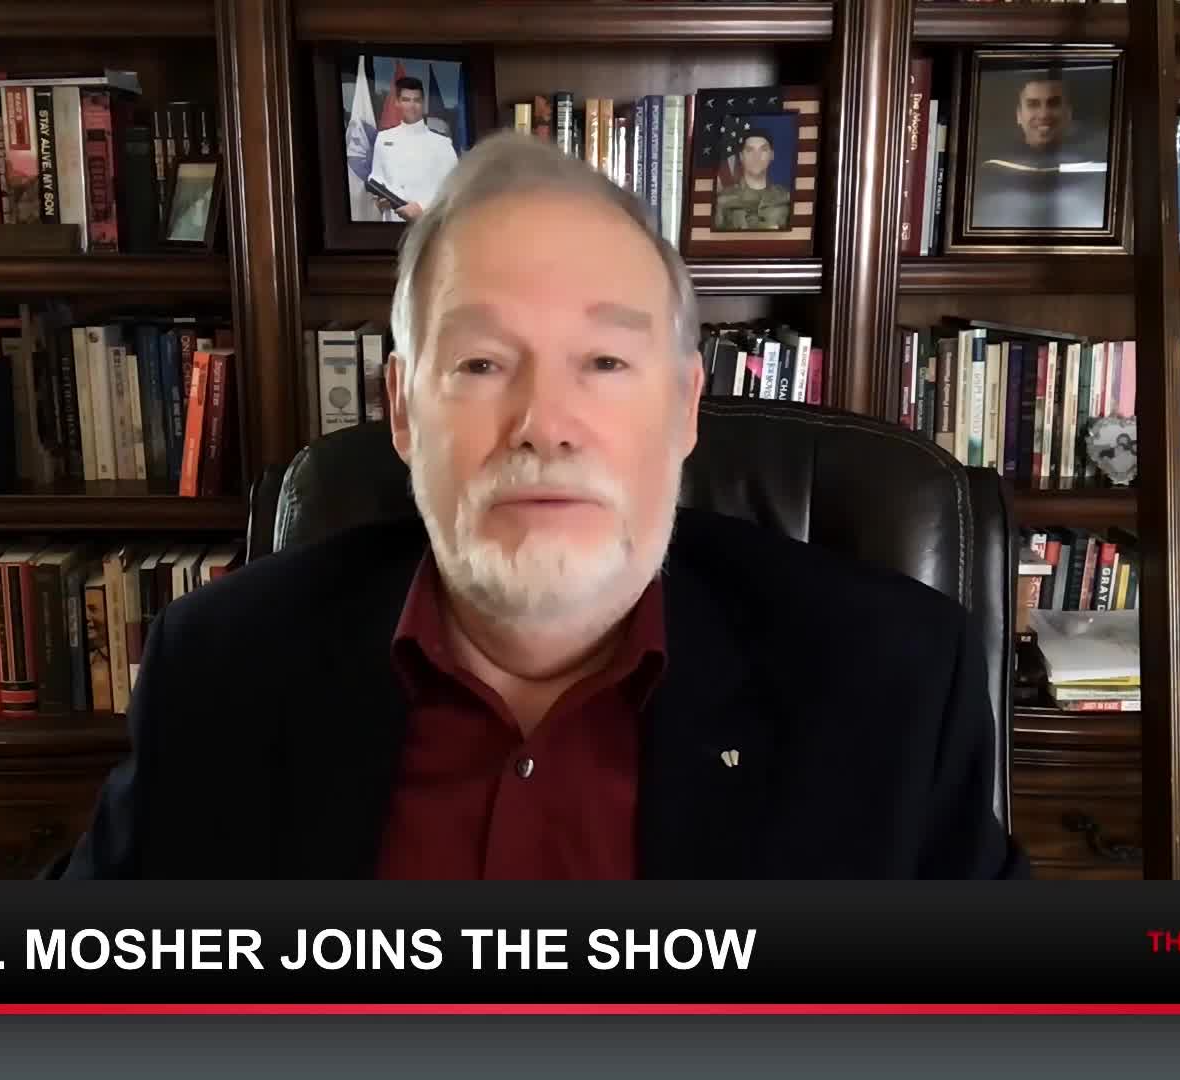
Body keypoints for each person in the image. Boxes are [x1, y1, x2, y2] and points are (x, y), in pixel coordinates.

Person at [60, 131, 1026, 880]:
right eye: (481, 364)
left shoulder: (887, 683)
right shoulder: (221, 671)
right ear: (402, 412)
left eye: (605, 363)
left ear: (684, 408)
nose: (543, 426)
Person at [971, 69, 1111, 231]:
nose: (1044, 114)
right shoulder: (988, 173)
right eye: (1033, 104)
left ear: (1068, 113)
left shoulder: (1098, 172)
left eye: (1053, 103)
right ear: (1019, 115)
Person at [368, 76, 458, 223]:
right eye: (406, 100)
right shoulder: (383, 139)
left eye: (416, 100)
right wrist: (380, 200)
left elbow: (454, 187)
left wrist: (422, 208)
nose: (412, 106)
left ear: (423, 103)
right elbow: (376, 177)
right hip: (391, 224)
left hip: (426, 225)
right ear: (397, 102)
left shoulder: (442, 144)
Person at [710, 128, 791, 232]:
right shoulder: (722, 199)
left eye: (763, 150)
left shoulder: (786, 198)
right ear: (741, 156)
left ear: (772, 155)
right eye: (749, 150)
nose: (756, 156)